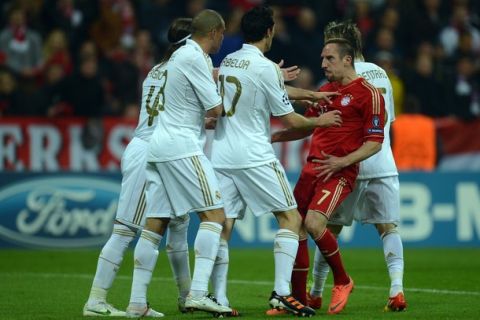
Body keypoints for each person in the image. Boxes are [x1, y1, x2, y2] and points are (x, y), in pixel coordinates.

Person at [210, 6, 342, 317]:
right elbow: (291, 120)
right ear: (269, 32)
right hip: (254, 155)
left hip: (223, 154)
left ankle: (218, 297)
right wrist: (321, 122)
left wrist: (310, 95)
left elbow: (269, 87)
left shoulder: (229, 60)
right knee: (291, 220)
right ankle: (282, 293)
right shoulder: (266, 66)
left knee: (224, 225)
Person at [270, 30, 386, 315]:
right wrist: (272, 138)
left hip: (338, 172)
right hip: (311, 170)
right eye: (322, 58)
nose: (323, 64)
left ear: (347, 60)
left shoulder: (369, 94)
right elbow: (307, 126)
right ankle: (297, 299)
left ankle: (343, 280)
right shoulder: (325, 90)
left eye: (329, 58)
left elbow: (374, 143)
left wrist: (342, 162)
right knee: (293, 226)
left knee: (312, 223)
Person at [83, 18, 194, 317]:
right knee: (126, 230)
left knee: (179, 224)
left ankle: (186, 297)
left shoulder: (156, 70)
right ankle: (95, 300)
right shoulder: (186, 69)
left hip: (167, 151)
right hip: (150, 152)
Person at [125, 9, 232, 317]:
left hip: (159, 146)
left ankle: (136, 303)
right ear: (213, 33)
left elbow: (188, 104)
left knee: (156, 221)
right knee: (216, 216)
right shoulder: (196, 58)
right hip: (182, 147)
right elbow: (216, 107)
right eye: (221, 35)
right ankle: (197, 293)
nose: (221, 40)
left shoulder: (178, 57)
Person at [306, 21, 407, 312]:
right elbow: (390, 123)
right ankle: (397, 289)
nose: (326, 59)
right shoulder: (381, 73)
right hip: (383, 161)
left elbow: (328, 123)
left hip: (350, 166)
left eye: (329, 50)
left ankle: (315, 292)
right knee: (388, 228)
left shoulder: (342, 78)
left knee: (328, 228)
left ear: (343, 49)